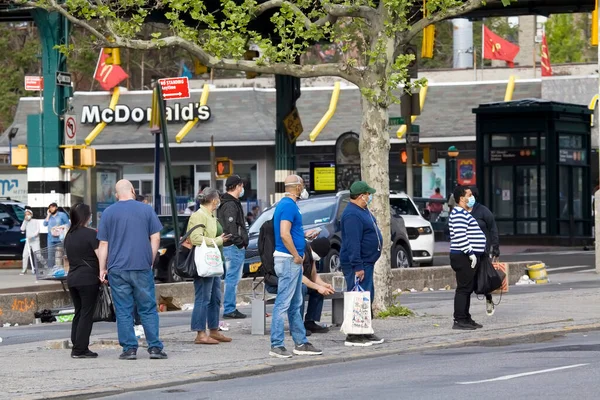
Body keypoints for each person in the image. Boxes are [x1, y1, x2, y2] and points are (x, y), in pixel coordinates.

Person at [97, 180, 168, 360]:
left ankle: (129, 349)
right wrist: (150, 259)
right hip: (141, 266)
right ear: (133, 191)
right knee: (148, 308)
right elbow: (156, 238)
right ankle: (154, 348)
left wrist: (102, 268)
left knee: (123, 310)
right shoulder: (146, 210)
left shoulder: (108, 213)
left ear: (116, 194)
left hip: (117, 269)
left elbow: (103, 244)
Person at [269, 175, 322, 358]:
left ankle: (301, 342)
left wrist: (303, 236)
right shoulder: (289, 206)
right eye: (303, 184)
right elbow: (284, 234)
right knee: (284, 302)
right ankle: (277, 345)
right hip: (289, 260)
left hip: (290, 259)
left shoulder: (286, 205)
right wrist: (296, 256)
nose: (304, 187)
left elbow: (289, 232)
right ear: (298, 187)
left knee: (295, 303)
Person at [340, 181, 384, 347]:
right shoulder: (352, 215)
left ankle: (365, 330)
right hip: (359, 263)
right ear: (361, 196)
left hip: (367, 261)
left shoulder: (362, 210)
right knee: (358, 297)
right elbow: (353, 243)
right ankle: (354, 334)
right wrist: (357, 266)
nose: (370, 196)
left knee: (365, 297)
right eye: (368, 194)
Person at [187, 187, 233, 345]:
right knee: (203, 297)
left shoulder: (211, 215)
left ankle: (213, 329)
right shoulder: (198, 216)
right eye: (218, 199)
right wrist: (218, 241)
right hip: (204, 263)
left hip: (215, 262)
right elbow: (195, 238)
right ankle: (200, 333)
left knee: (215, 298)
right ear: (214, 200)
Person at [265, 237, 335, 335]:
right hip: (279, 283)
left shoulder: (312, 256)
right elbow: (299, 277)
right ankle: (297, 325)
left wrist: (324, 285)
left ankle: (310, 321)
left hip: (297, 281)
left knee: (317, 291)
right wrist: (318, 287)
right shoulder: (301, 252)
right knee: (301, 288)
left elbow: (313, 275)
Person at [64, 203, 101, 359]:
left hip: (72, 278)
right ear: (86, 216)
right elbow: (100, 256)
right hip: (88, 278)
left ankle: (76, 342)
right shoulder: (91, 234)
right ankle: (80, 349)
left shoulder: (69, 235)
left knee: (79, 312)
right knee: (87, 313)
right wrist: (104, 272)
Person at [449, 186, 487, 331]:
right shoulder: (458, 213)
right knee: (464, 289)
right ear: (461, 198)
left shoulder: (463, 213)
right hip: (463, 256)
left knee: (468, 288)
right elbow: (460, 235)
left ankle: (465, 317)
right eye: (469, 195)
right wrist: (470, 253)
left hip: (467, 256)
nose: (472, 197)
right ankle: (459, 320)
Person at [217, 175, 249, 320]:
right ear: (237, 186)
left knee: (231, 277)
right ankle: (230, 308)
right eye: (242, 186)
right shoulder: (231, 204)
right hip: (233, 247)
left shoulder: (227, 202)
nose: (242, 189)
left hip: (230, 246)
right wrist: (240, 242)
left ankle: (230, 307)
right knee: (232, 278)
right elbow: (231, 228)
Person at [469, 187, 500, 316]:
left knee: (483, 277)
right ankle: (465, 310)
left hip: (482, 250)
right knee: (468, 280)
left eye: (470, 195)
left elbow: (493, 229)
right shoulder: (462, 211)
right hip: (467, 250)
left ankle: (488, 298)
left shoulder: (483, 211)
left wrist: (495, 248)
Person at [43, 202, 70, 268]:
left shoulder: (62, 215)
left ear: (56, 208)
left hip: (60, 238)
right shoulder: (49, 216)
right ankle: (50, 269)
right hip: (50, 238)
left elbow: (68, 224)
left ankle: (60, 268)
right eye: (50, 208)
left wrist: (60, 227)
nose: (51, 209)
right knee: (50, 255)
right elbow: (45, 224)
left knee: (60, 255)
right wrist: (48, 215)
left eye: (53, 207)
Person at [20, 208, 40, 275]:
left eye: (28, 214)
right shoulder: (25, 222)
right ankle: (24, 269)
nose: (27, 216)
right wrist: (24, 221)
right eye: (26, 215)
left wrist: (33, 236)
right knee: (25, 255)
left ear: (31, 215)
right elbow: (22, 229)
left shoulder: (35, 221)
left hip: (35, 241)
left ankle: (43, 266)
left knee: (38, 255)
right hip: (28, 241)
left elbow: (37, 230)